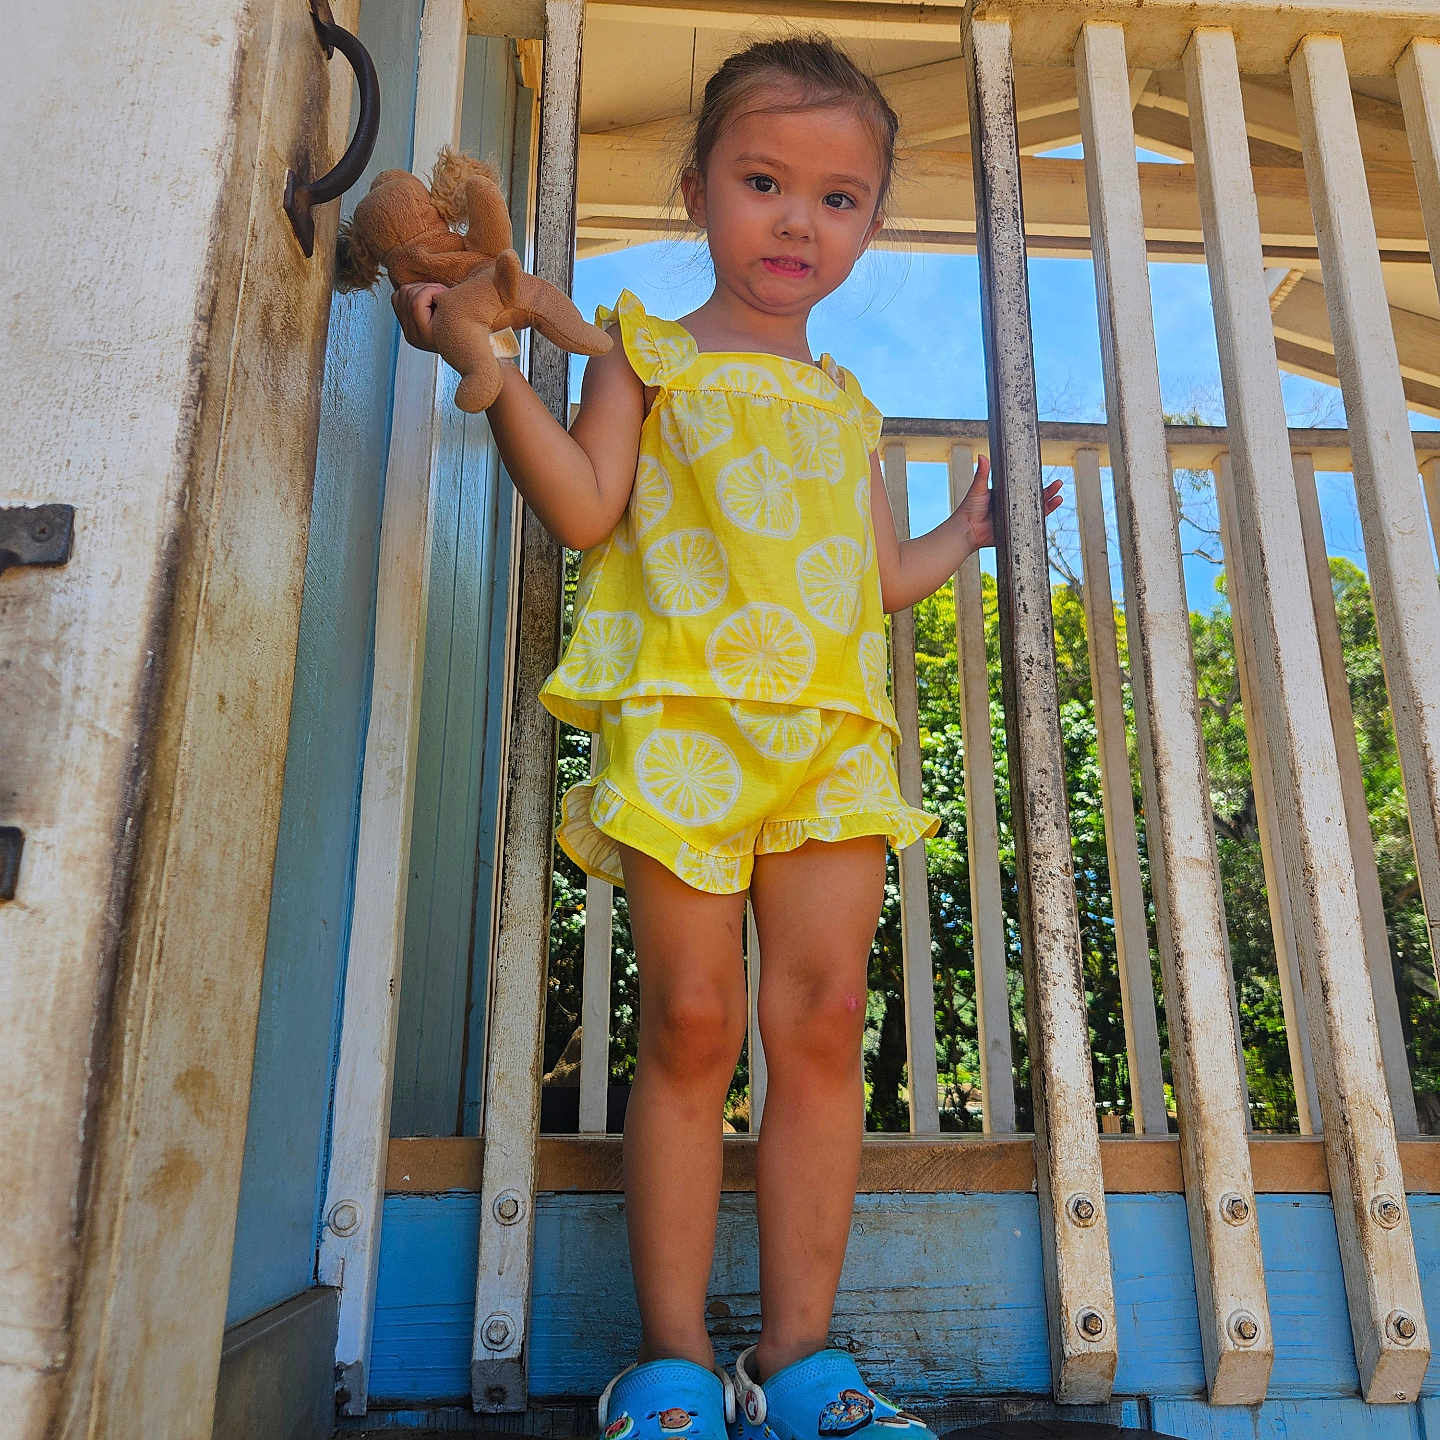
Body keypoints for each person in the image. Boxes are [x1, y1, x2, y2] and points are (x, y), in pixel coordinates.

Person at [392, 31, 1062, 1440]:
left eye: (838, 198)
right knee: (693, 1026)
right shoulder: (644, 353)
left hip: (829, 741)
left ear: (870, 225)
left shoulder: (847, 406)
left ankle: (803, 1365)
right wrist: (496, 374)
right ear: (697, 190)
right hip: (686, 730)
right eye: (764, 182)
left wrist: (967, 533)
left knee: (822, 1025)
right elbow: (585, 507)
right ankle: (676, 1364)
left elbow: (870, 580)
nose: (798, 221)